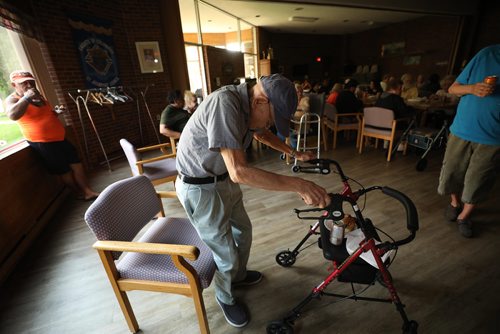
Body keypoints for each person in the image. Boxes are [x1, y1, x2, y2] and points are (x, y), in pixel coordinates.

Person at [174, 74, 330, 328]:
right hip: (201, 188)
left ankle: (238, 276)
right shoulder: (225, 105)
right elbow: (240, 171)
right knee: (224, 251)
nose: (268, 124)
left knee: (243, 231)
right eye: (271, 117)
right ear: (260, 102)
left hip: (223, 179)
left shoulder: (249, 103)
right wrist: (300, 185)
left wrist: (294, 152)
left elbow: (261, 134)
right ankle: (225, 296)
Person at [5, 70, 99, 200]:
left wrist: (56, 112)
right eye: (23, 83)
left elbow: (45, 115)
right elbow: (12, 115)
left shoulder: (38, 96)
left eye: (31, 81)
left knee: (76, 163)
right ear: (14, 85)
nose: (29, 85)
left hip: (60, 138)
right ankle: (78, 193)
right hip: (43, 142)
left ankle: (88, 191)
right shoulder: (13, 99)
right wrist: (27, 97)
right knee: (64, 171)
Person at [437, 45, 500, 238]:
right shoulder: (487, 54)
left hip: (494, 137)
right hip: (463, 130)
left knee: (479, 179)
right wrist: (473, 88)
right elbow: (453, 88)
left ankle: (464, 216)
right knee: (452, 172)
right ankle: (455, 203)